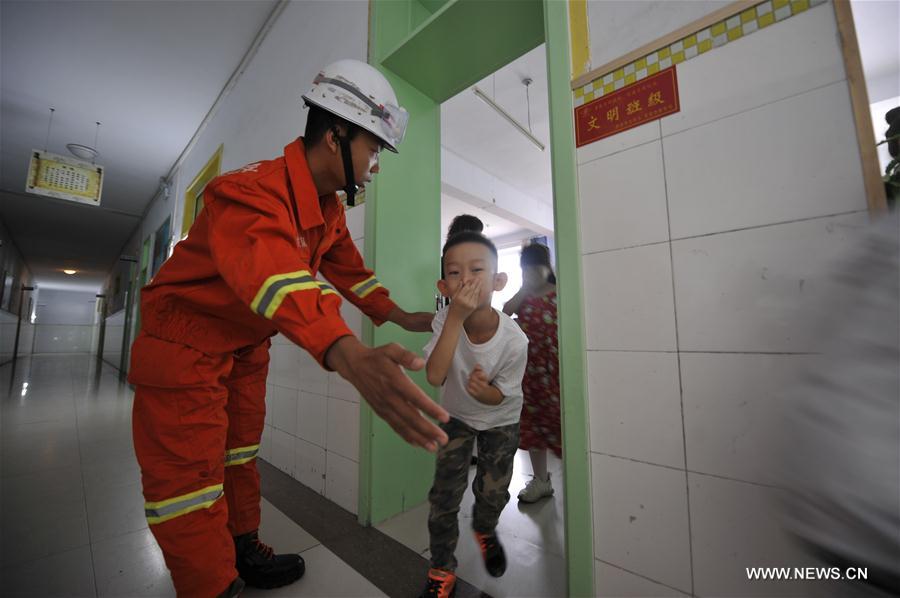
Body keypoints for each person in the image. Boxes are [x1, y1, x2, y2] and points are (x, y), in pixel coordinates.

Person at [128, 59, 449, 598]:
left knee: (238, 453)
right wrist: (344, 351)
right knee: (189, 485)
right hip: (183, 340)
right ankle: (212, 586)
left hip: (244, 345)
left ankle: (242, 546)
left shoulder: (327, 209)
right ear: (336, 136)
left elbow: (351, 273)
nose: (375, 165)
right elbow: (277, 276)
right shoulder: (248, 192)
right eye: (374, 149)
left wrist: (403, 316)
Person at [419, 228, 529, 598]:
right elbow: (434, 374)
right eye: (454, 272)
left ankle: (486, 529)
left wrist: (488, 393)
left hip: (501, 418)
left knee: (492, 491)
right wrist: (455, 317)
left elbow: (504, 396)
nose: (465, 279)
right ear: (443, 285)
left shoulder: (515, 340)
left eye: (476, 270)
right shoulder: (443, 321)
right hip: (457, 417)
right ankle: (440, 569)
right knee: (444, 496)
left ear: (499, 281)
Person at [502, 242, 560, 503]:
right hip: (530, 372)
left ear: (547, 269)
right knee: (534, 427)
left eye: (534, 270)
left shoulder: (560, 293)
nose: (530, 276)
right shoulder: (523, 295)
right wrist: (524, 289)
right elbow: (505, 312)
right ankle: (541, 481)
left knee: (562, 426)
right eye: (525, 271)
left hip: (557, 373)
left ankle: (583, 482)